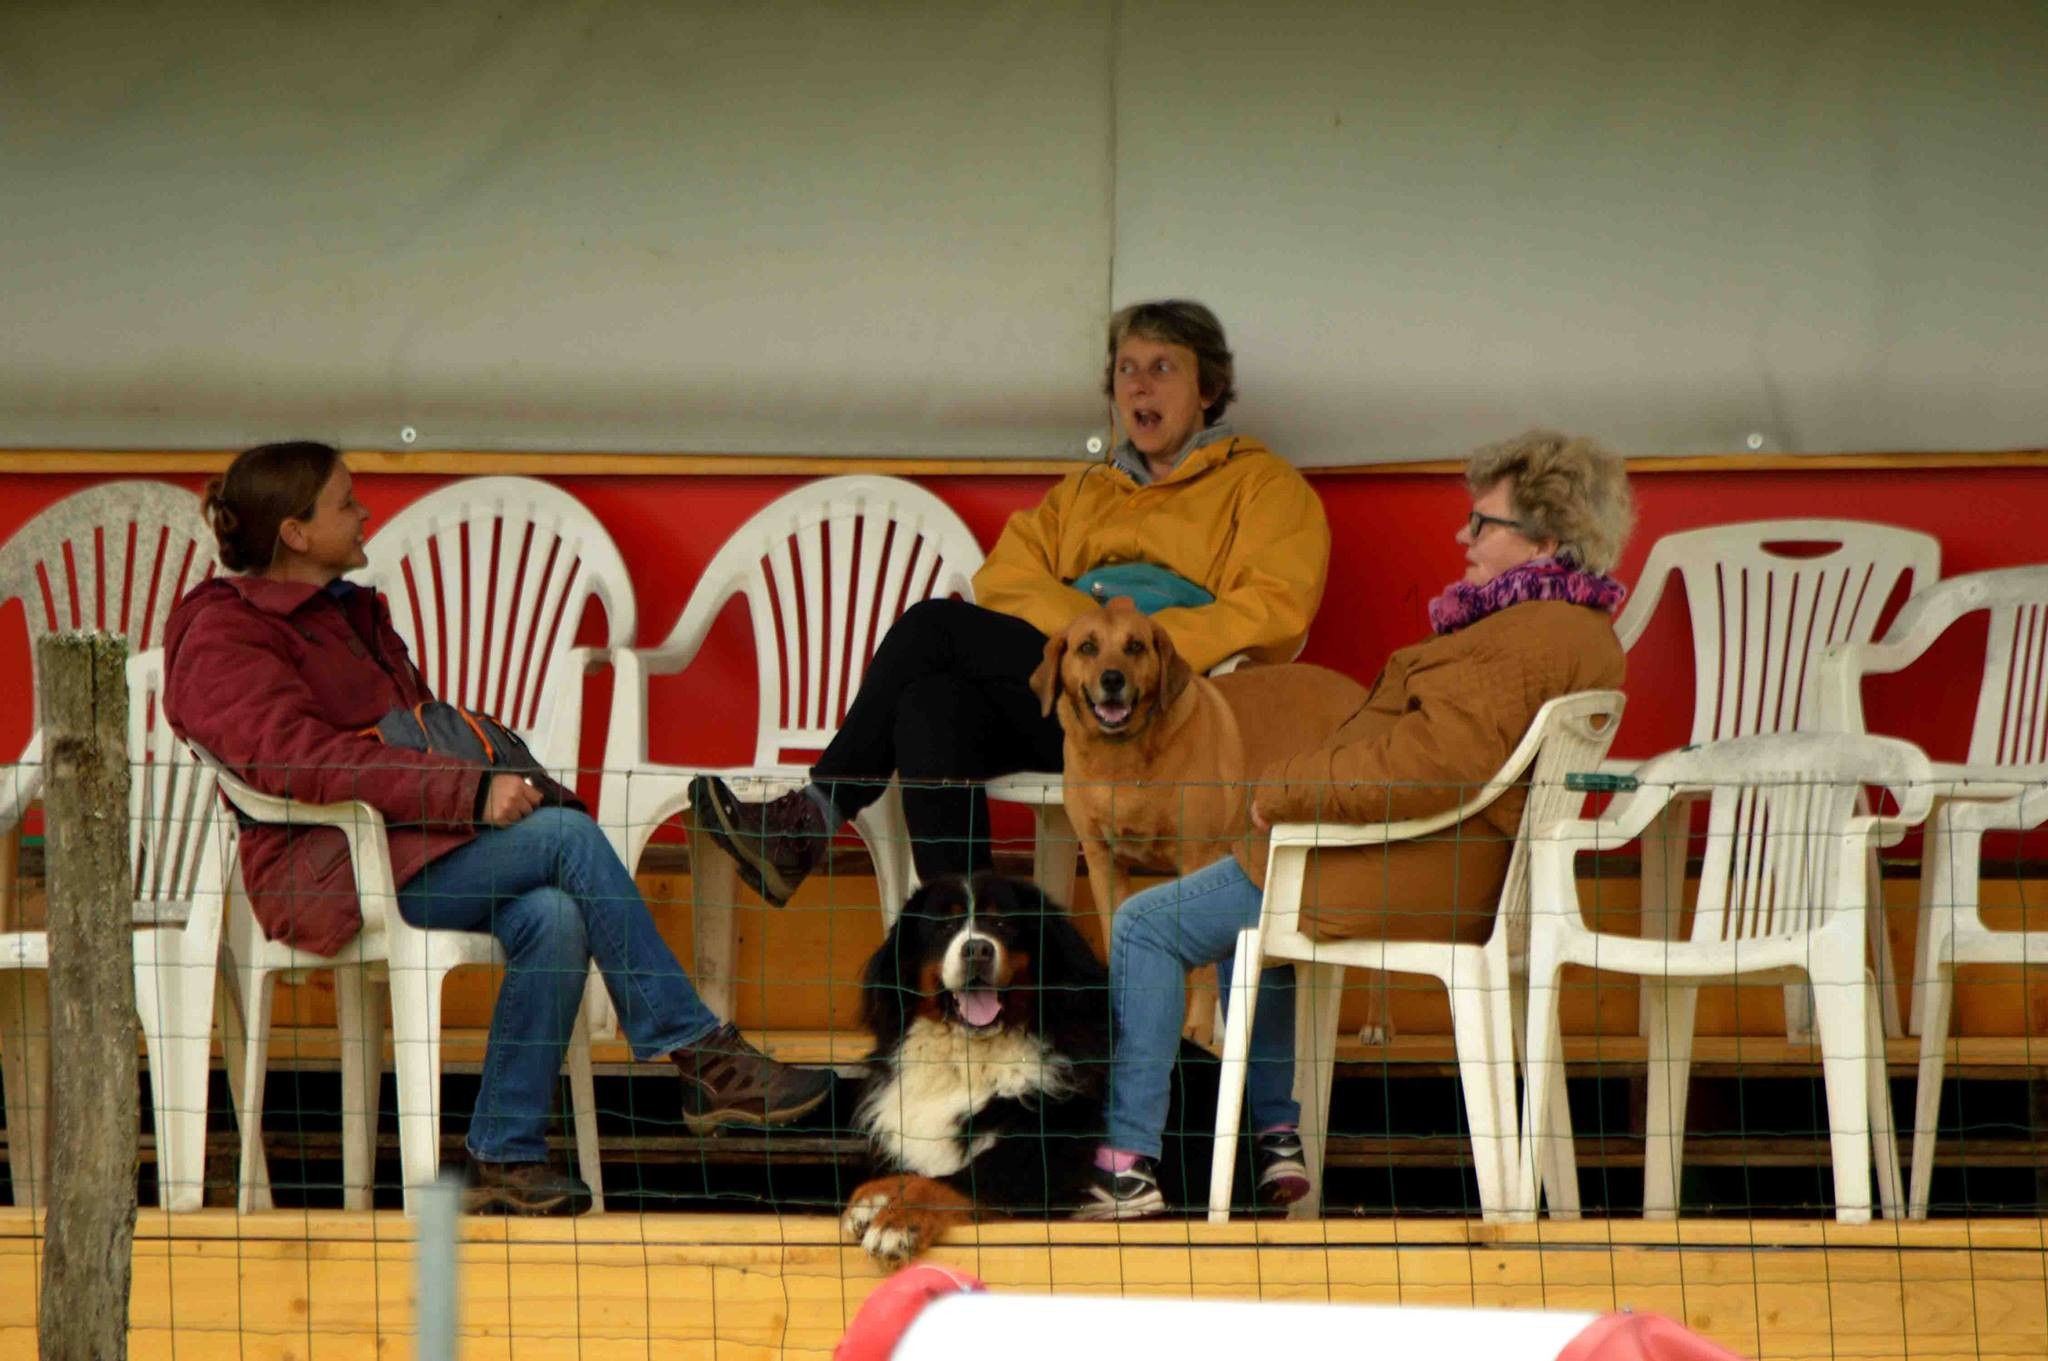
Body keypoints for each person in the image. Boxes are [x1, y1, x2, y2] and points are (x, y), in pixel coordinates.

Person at [164, 441, 834, 1216]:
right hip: (329, 867)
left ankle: (505, 1153)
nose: (366, 511)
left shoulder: (353, 611)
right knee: (569, 838)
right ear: (296, 532)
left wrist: (474, 788)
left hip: (418, 849)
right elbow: (297, 761)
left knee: (553, 914)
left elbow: (408, 730)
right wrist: (470, 789)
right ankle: (700, 1056)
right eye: (347, 501)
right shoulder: (224, 630)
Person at [1078, 429, 1634, 1220]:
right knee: (1255, 919)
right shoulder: (1576, 631)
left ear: (1545, 538)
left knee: (1143, 924)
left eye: (1483, 523)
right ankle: (1274, 1142)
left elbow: (1429, 764)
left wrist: (1291, 787)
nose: (1462, 537)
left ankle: (1126, 1163)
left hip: (1402, 872)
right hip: (1448, 871)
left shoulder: (1516, 641)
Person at [691, 300, 1331, 904]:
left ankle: (812, 819)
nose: (1138, 387)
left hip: (1170, 713)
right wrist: (1085, 639)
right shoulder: (1085, 492)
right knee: (929, 707)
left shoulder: (1262, 485)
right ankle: (974, 942)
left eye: (1162, 368)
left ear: (1209, 390)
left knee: (933, 628)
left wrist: (1140, 648)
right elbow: (1006, 580)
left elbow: (1276, 610)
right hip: (1073, 704)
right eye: (1126, 370)